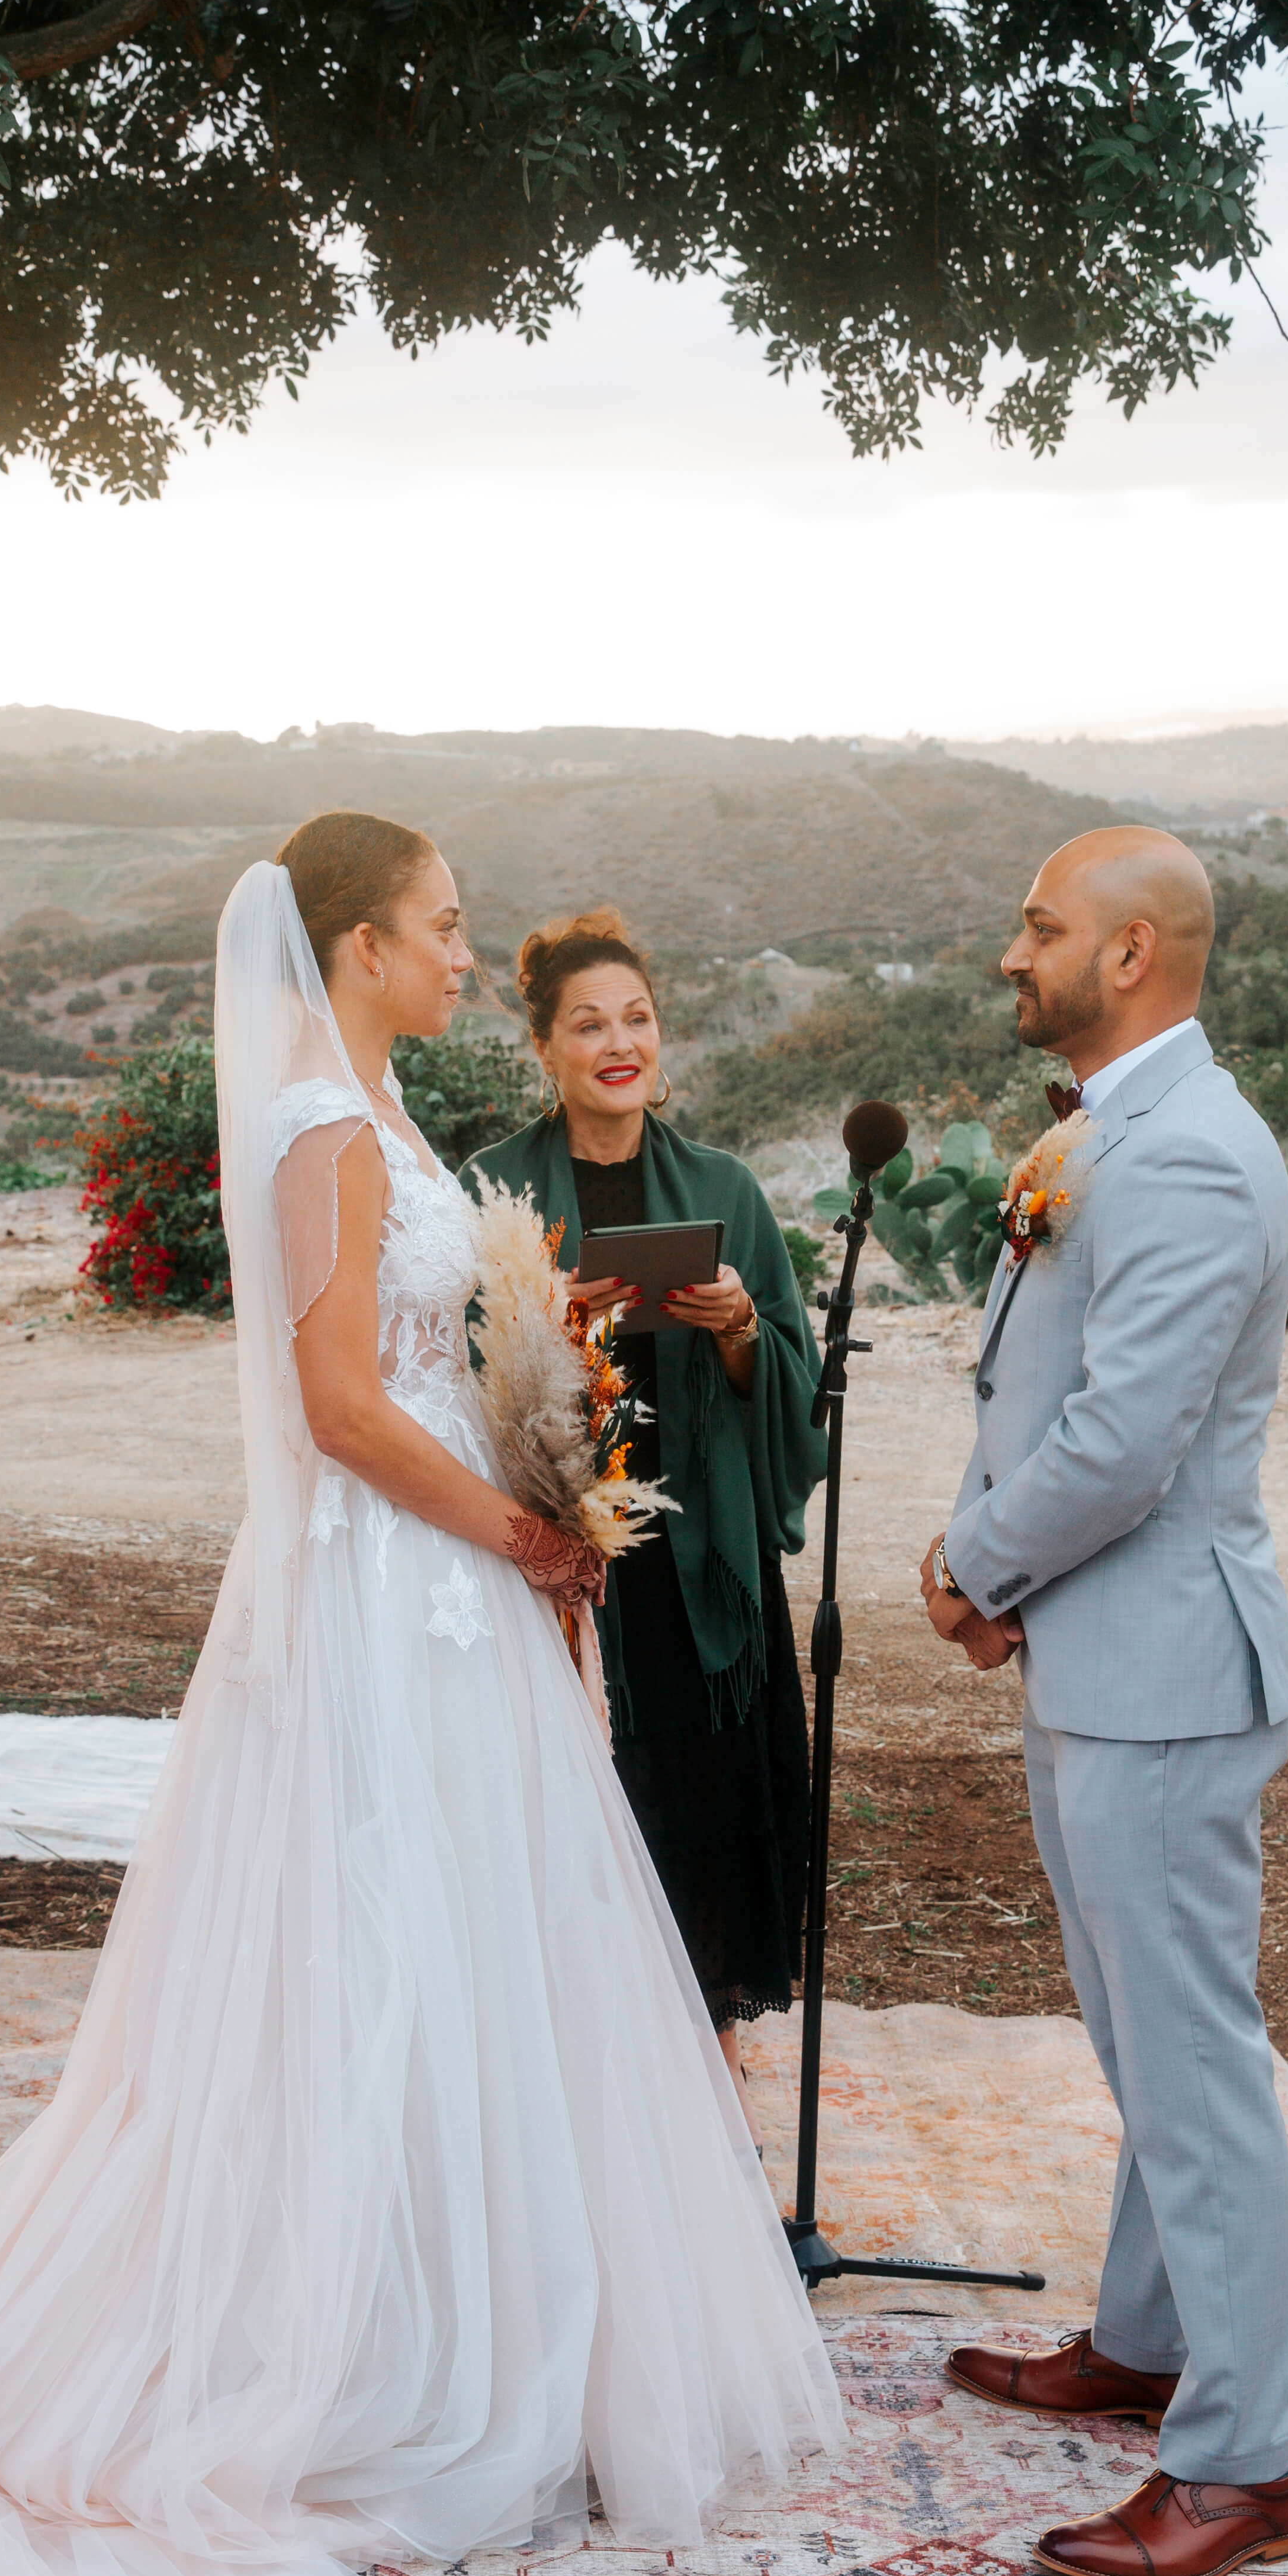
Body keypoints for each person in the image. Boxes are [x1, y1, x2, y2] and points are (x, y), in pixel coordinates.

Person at [0, 814, 840, 2576]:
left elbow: (426, 1358)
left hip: (452, 1586)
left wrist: (539, 1422)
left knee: (482, 1946)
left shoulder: (385, 1121)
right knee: (386, 1942)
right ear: (356, 942)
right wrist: (515, 1529)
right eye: (444, 928)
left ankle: (481, 2313)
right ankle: (366, 2343)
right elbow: (331, 1405)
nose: (468, 957)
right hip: (391, 1594)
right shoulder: (327, 1128)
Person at [922, 824, 1288, 2576]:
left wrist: (975, 1563)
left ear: (1135, 949)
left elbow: (1127, 1439)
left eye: (1040, 924)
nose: (1014, 952)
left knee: (1195, 2058)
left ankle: (1247, 2464)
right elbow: (1045, 1381)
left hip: (1159, 1667)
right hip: (1100, 1652)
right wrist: (1010, 1573)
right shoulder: (1103, 1129)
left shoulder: (1198, 1159)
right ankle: (1151, 2345)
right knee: (1137, 2035)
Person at [463, 910, 823, 2135]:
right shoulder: (497, 1188)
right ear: (543, 1046)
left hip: (692, 1555)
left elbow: (790, 1371)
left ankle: (704, 2053)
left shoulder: (722, 1184)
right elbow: (454, 1368)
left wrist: (732, 1328)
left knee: (697, 1799)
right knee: (574, 1800)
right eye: (588, 1023)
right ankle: (568, 2065)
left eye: (636, 1017)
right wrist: (546, 1323)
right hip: (555, 1553)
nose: (618, 1042)